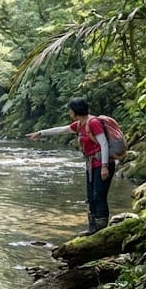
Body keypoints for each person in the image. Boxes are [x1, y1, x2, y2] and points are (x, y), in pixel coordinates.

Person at [26, 97, 115, 235]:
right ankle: (92, 228)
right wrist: (41, 133)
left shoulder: (93, 123)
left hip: (102, 164)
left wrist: (104, 166)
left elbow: (103, 144)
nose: (69, 112)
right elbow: (62, 130)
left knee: (99, 196)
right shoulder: (80, 124)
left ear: (75, 111)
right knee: (91, 197)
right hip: (91, 165)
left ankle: (102, 230)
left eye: (70, 110)